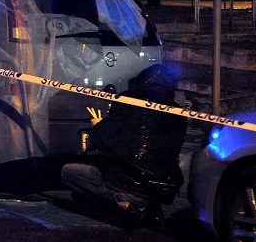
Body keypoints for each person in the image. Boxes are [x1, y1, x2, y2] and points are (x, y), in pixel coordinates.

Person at [60, 64, 188, 228]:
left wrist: (99, 125)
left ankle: (121, 203)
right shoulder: (178, 114)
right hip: (162, 187)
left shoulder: (128, 101)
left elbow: (101, 141)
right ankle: (146, 204)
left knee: (69, 171)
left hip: (123, 180)